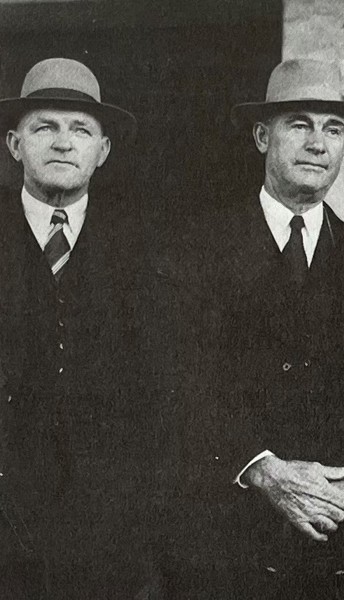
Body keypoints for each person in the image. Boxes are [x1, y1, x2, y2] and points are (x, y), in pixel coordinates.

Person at [162, 59, 344, 600]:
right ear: (263, 137)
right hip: (227, 548)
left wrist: (338, 489)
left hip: (342, 541)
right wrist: (260, 469)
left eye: (334, 129)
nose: (317, 144)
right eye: (299, 124)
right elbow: (178, 384)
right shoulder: (194, 251)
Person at [0, 57, 157, 598]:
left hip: (109, 541)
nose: (64, 143)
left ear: (103, 150)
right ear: (14, 144)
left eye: (81, 130)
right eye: (45, 127)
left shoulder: (146, 250)